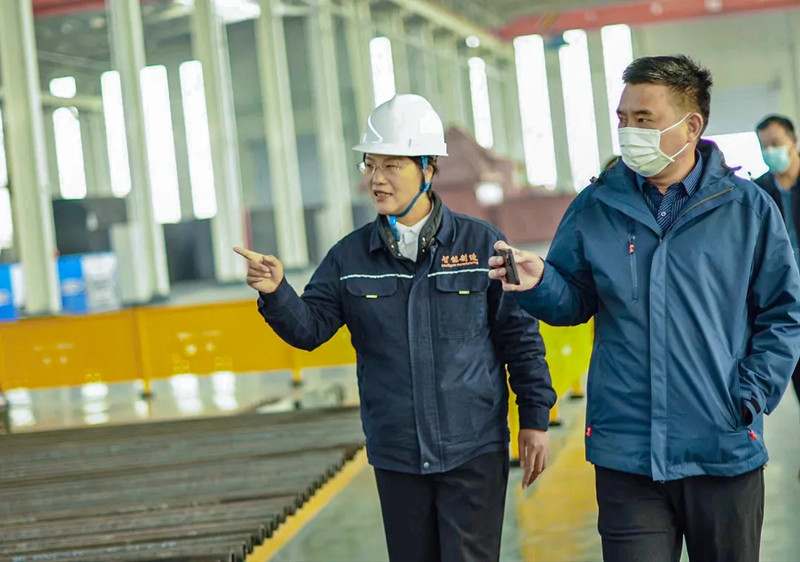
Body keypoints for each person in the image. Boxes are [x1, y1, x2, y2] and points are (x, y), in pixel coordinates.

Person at [489, 55, 800, 562]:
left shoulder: (746, 210)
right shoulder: (596, 206)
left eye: (643, 119)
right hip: (627, 451)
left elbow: (783, 313)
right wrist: (541, 282)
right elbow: (574, 301)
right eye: (623, 118)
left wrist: (748, 397)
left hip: (721, 446)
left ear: (691, 126)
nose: (628, 131)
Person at [234, 94, 555, 562]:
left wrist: (534, 419)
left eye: (392, 165)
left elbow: (520, 339)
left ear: (428, 169)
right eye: (370, 164)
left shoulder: (482, 244)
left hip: (474, 448)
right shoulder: (350, 257)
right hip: (397, 454)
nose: (376, 178)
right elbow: (310, 331)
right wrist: (277, 292)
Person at [753, 116, 800, 464]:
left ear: (793, 141)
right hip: (786, 307)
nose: (771, 151)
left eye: (776, 143)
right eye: (764, 145)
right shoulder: (759, 193)